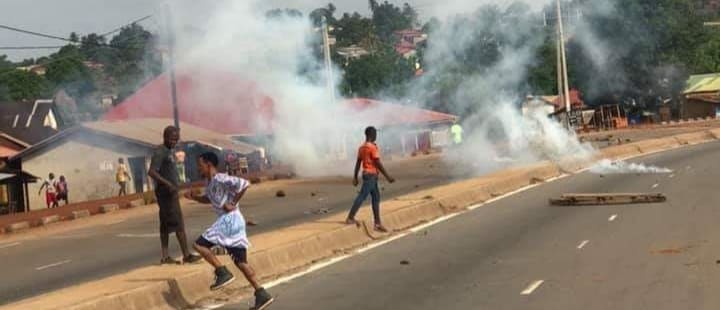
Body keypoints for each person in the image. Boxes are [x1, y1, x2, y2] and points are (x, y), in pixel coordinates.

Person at [185, 152, 274, 310]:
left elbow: (244, 183)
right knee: (241, 262)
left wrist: (232, 202)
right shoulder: (210, 183)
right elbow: (210, 199)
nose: (199, 168)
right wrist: (195, 198)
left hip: (229, 220)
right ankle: (261, 293)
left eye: (200, 165)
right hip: (236, 222)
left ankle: (222, 271)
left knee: (199, 245)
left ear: (209, 164)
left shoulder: (220, 178)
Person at [148, 126, 201, 265]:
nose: (174, 142)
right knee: (178, 223)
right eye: (172, 139)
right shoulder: (160, 151)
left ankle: (165, 257)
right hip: (166, 194)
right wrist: (168, 184)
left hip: (170, 193)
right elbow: (152, 172)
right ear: (165, 137)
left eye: (176, 140)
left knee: (165, 224)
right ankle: (186, 255)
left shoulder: (169, 151)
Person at [346, 126, 395, 232]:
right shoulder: (372, 147)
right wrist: (387, 176)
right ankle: (350, 217)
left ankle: (377, 223)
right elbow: (378, 163)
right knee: (362, 196)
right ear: (371, 135)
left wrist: (355, 176)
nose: (376, 136)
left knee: (376, 197)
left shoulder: (362, 147)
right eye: (375, 134)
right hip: (371, 176)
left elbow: (358, 162)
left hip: (367, 174)